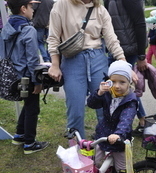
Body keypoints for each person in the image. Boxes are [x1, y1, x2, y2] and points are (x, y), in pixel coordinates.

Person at [47, 0, 128, 139]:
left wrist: (123, 62)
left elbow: (111, 39)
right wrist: (55, 64)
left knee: (105, 105)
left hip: (97, 58)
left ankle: (107, 146)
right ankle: (77, 151)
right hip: (72, 60)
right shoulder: (61, 5)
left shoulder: (100, 9)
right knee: (75, 109)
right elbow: (53, 38)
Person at [1, 0, 49, 154]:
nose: (33, 9)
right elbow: (32, 59)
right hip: (26, 77)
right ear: (23, 9)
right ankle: (30, 143)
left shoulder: (6, 27)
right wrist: (37, 82)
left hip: (12, 76)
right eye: (31, 6)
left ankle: (19, 134)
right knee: (32, 107)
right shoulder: (29, 29)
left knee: (28, 105)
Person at [104, 0, 148, 136]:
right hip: (115, 47)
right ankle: (141, 121)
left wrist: (141, 55)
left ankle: (140, 122)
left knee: (122, 86)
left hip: (129, 49)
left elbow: (140, 23)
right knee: (118, 86)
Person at [87, 60, 137, 172]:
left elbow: (126, 119)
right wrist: (99, 93)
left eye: (122, 82)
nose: (117, 86)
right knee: (95, 162)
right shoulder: (107, 93)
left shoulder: (130, 100)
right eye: (113, 81)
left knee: (121, 167)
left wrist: (118, 134)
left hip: (120, 139)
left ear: (129, 83)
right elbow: (91, 104)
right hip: (103, 134)